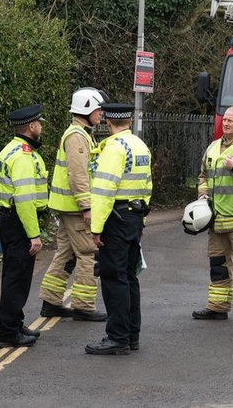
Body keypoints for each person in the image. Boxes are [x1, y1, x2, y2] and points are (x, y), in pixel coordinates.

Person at [85, 103, 152, 355]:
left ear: (107, 122)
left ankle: (117, 338)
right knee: (129, 276)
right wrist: (142, 221)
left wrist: (96, 228)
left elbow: (103, 192)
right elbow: (147, 186)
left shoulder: (114, 148)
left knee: (114, 278)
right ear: (129, 121)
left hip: (116, 217)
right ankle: (132, 335)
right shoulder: (140, 145)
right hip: (134, 216)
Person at [38, 88, 108, 322]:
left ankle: (51, 301)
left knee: (65, 253)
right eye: (98, 109)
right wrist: (87, 206)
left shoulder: (80, 133)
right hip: (75, 208)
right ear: (87, 109)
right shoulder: (77, 136)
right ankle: (84, 306)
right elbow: (78, 174)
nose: (101, 114)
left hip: (67, 206)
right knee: (88, 253)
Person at [191, 106, 233, 321]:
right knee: (218, 265)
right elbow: (203, 176)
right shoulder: (212, 147)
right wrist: (202, 194)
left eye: (231, 120)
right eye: (225, 120)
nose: (226, 123)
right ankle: (218, 307)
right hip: (215, 220)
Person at [0, 104, 49, 348]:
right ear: (31, 126)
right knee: (17, 278)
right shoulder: (24, 156)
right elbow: (25, 200)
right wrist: (34, 235)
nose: (42, 126)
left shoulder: (11, 149)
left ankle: (14, 323)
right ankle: (8, 332)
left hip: (9, 220)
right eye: (39, 123)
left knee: (13, 275)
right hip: (20, 222)